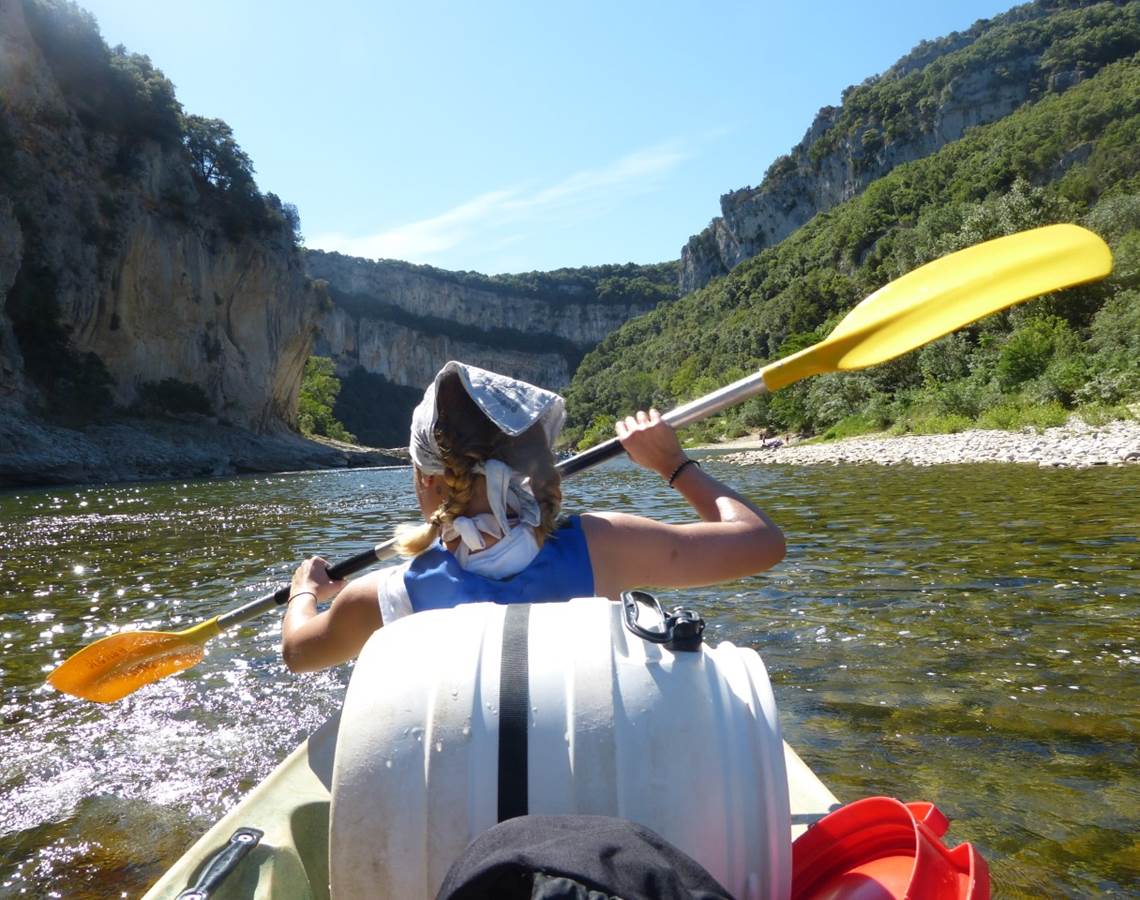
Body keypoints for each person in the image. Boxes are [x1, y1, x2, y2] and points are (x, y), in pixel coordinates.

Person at [281, 361, 785, 673]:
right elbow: (761, 542)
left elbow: (298, 653)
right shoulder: (602, 544)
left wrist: (308, 589)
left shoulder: (383, 596)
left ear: (426, 478)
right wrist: (673, 465)